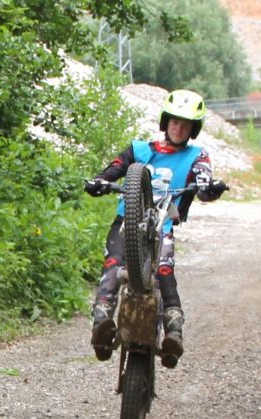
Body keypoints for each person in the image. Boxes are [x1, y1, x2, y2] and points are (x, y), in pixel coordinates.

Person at [84, 89, 227, 369]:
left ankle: (174, 332)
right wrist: (98, 182)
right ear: (165, 121)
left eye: (185, 124)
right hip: (127, 221)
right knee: (113, 265)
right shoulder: (139, 150)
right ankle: (101, 324)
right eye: (174, 121)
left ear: (193, 129)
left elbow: (202, 184)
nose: (179, 127)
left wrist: (210, 189)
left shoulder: (197, 156)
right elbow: (112, 170)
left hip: (163, 224)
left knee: (163, 270)